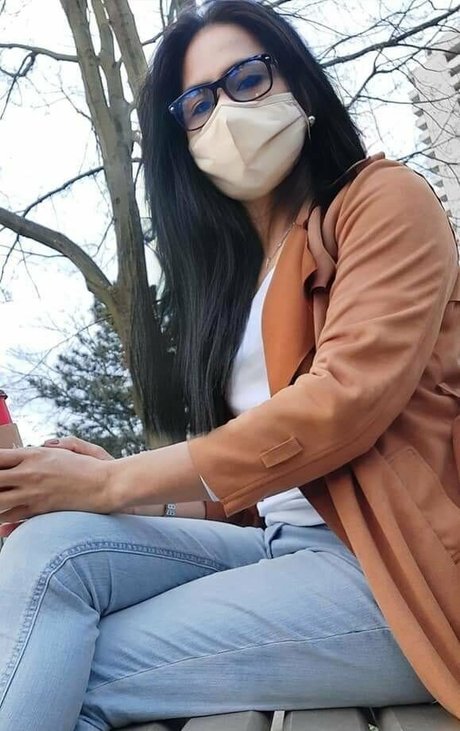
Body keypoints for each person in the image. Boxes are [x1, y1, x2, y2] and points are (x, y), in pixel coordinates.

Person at [0, 0, 459, 728]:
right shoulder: (237, 284)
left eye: (246, 79)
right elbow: (250, 489)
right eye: (197, 105)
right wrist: (122, 492)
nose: (226, 113)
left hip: (395, 572)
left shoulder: (380, 201)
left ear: (298, 83)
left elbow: (344, 404)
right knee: (49, 549)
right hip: (277, 551)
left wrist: (116, 480)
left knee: (65, 665)